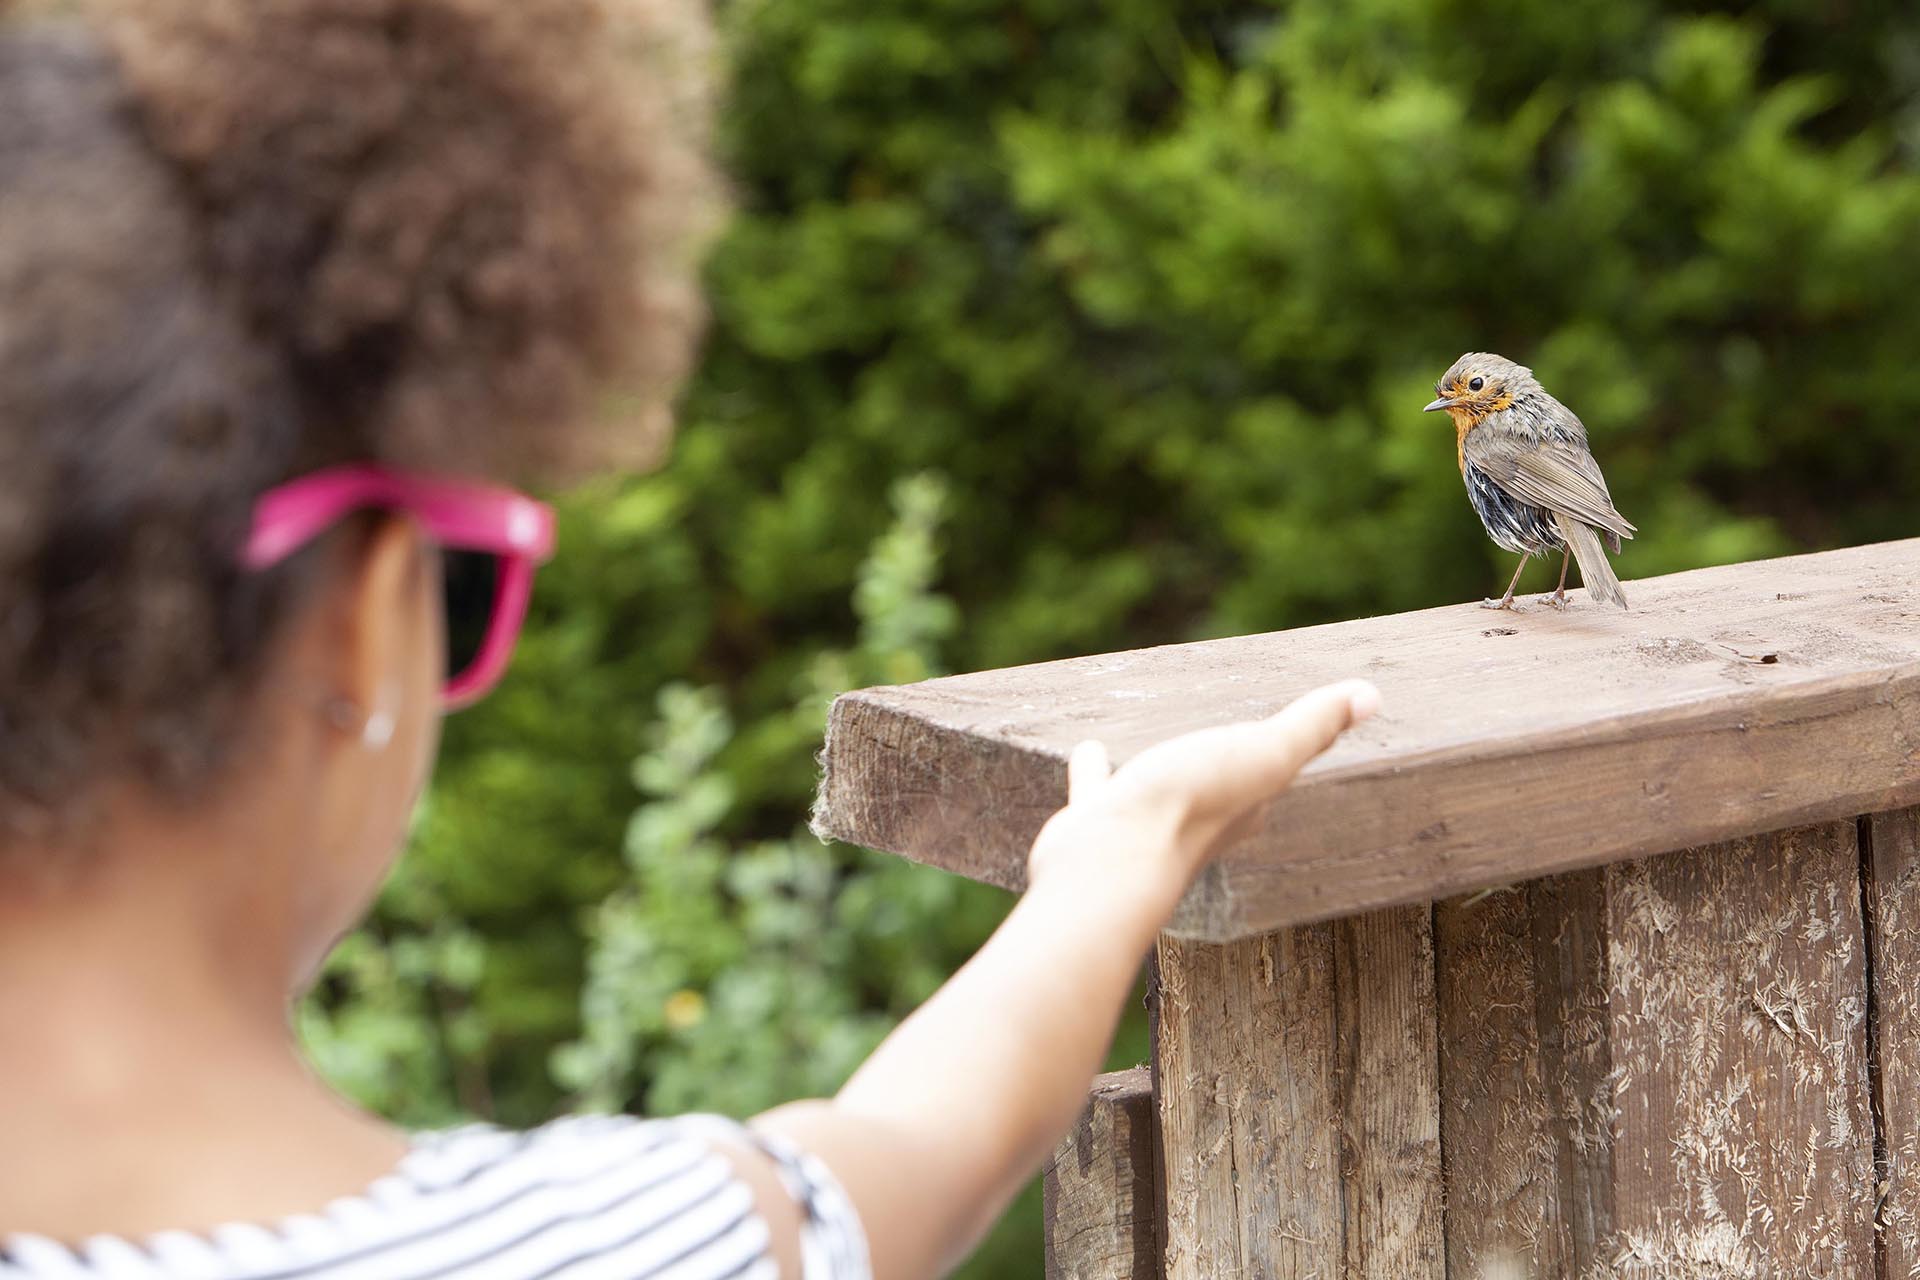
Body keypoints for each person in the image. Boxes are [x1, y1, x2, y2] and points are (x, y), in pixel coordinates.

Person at [0, 0, 1381, 1276]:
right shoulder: (626, 1245)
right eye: (460, 589)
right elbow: (914, 1152)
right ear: (363, 635)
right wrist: (1112, 863)